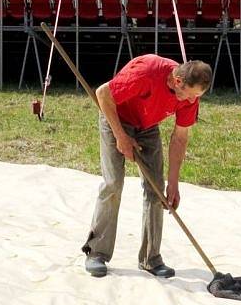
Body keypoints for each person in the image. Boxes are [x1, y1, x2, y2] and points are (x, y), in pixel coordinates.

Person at [81, 54, 212, 279]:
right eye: (190, 96)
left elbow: (180, 138)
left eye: (197, 97)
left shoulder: (191, 97)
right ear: (178, 82)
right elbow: (103, 94)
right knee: (113, 183)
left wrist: (173, 182)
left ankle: (151, 259)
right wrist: (121, 137)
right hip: (116, 116)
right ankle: (97, 253)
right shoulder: (147, 72)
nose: (192, 102)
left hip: (147, 124)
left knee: (156, 191)